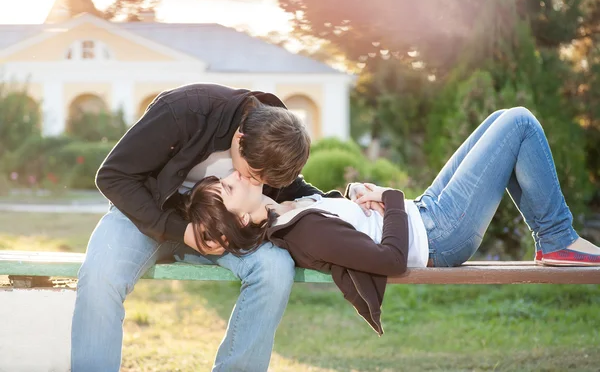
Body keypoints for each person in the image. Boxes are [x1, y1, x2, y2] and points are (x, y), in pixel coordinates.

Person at [184, 107, 600, 334]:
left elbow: (343, 219)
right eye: (229, 188)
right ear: (240, 216)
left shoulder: (285, 212)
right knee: (519, 123)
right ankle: (557, 237)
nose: (233, 175)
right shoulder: (302, 234)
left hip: (427, 212)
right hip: (440, 237)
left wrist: (356, 194)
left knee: (500, 119)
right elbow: (392, 261)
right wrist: (390, 197)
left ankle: (553, 238)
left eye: (225, 181)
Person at [71, 83, 342, 372]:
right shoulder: (184, 110)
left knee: (274, 268)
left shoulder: (275, 138)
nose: (254, 184)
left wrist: (348, 201)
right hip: (145, 216)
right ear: (240, 138)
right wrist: (182, 231)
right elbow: (113, 176)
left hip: (220, 233)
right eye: (251, 175)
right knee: (100, 276)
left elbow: (294, 190)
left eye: (262, 182)